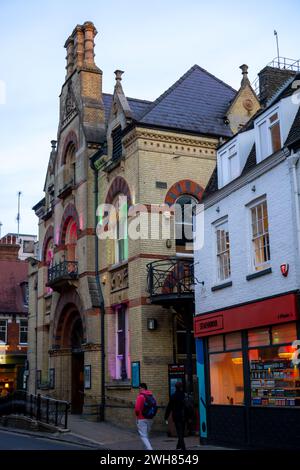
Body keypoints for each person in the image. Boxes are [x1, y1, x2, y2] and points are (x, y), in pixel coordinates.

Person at [164, 381, 186, 451]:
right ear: (181, 387)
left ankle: (182, 447)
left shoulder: (173, 396)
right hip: (183, 415)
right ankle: (179, 446)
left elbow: (169, 407)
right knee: (181, 431)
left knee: (179, 432)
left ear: (175, 387)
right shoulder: (184, 395)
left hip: (176, 416)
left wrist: (166, 416)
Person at [134, 383, 156, 450]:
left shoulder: (140, 396)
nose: (139, 390)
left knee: (143, 436)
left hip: (141, 418)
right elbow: (155, 406)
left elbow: (137, 409)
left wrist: (137, 416)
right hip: (150, 418)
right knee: (146, 436)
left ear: (143, 388)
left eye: (139, 388)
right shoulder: (152, 396)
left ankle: (150, 449)